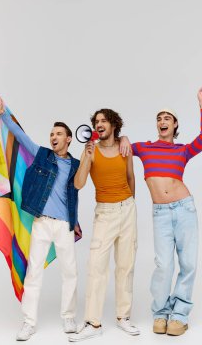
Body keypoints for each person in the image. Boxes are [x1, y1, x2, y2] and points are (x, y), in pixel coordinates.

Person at [0, 97, 80, 341]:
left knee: (70, 272)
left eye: (59, 133)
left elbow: (83, 182)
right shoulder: (41, 155)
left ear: (68, 138)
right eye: (52, 133)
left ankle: (68, 317)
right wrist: (3, 113)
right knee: (33, 274)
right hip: (41, 223)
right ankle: (29, 322)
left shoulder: (76, 164)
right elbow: (21, 137)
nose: (53, 137)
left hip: (64, 224)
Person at [130, 84, 202, 336]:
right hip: (161, 213)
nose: (162, 121)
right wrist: (119, 138)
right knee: (163, 265)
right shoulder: (144, 147)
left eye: (167, 118)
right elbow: (116, 148)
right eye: (159, 118)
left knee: (188, 263)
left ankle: (179, 314)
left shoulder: (182, 150)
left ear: (175, 125)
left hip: (185, 208)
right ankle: (161, 312)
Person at [68, 108, 140, 342]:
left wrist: (130, 204)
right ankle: (93, 322)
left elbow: (131, 177)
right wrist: (86, 158)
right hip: (105, 213)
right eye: (96, 121)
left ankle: (123, 317)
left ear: (113, 125)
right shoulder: (90, 150)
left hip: (127, 209)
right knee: (96, 267)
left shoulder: (124, 147)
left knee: (126, 265)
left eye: (103, 121)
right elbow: (78, 184)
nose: (99, 124)